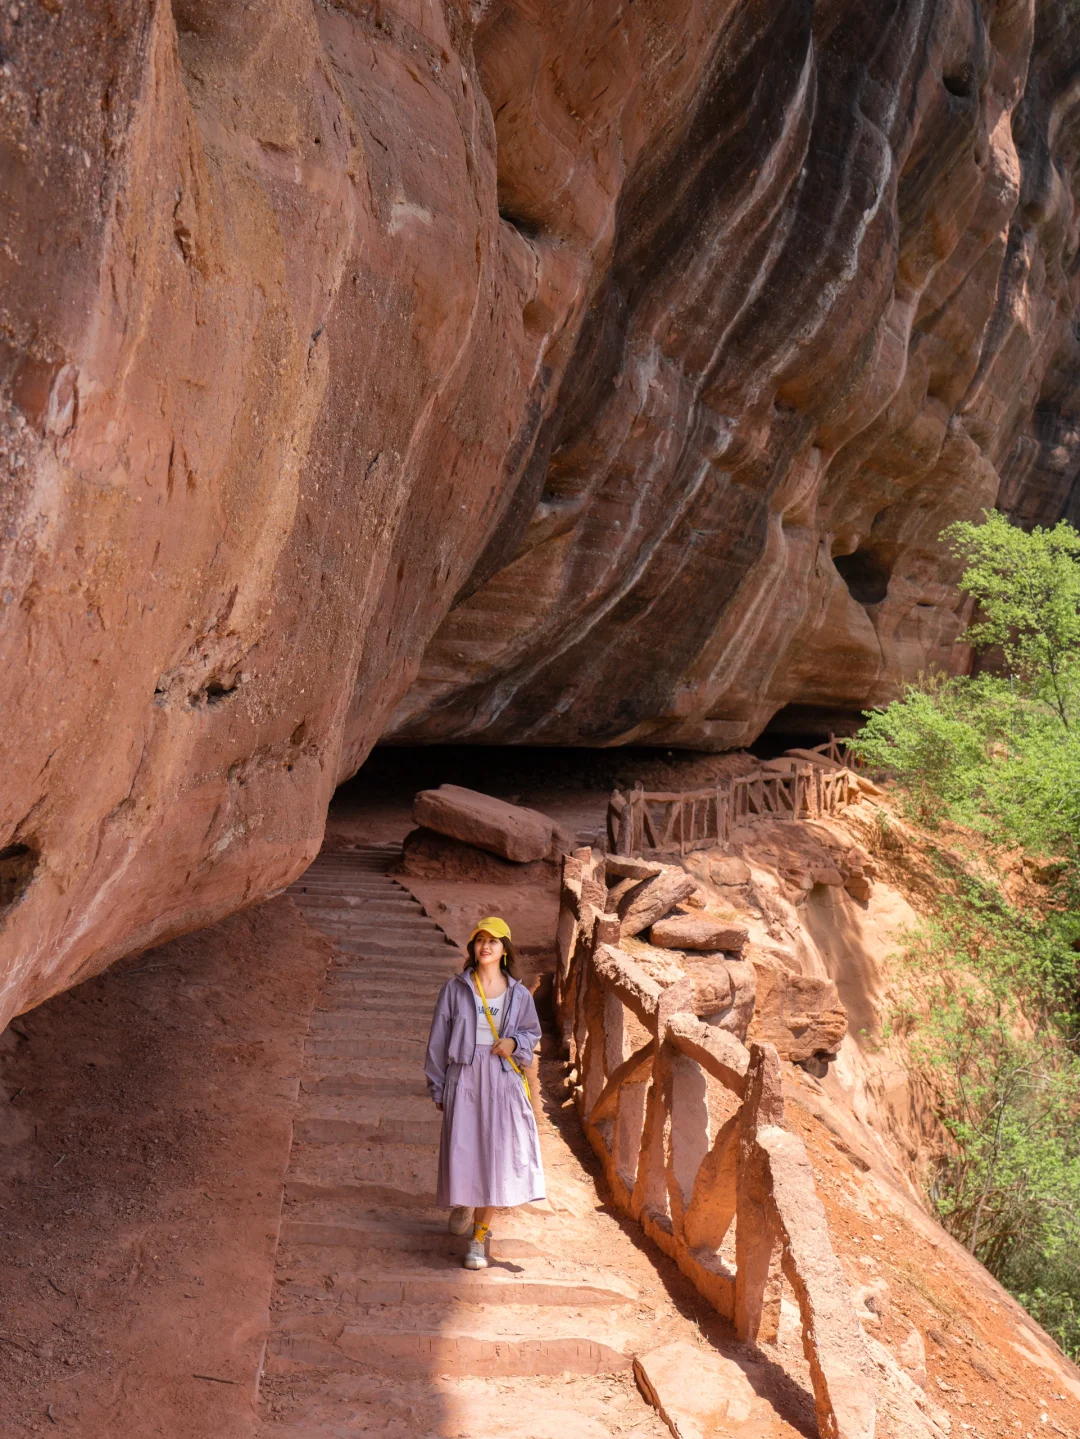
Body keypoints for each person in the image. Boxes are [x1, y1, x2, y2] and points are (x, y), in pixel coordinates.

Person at [424, 916, 545, 1269]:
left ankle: (478, 1240)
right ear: (473, 946)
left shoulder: (519, 994)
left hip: (501, 1078)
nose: (486, 945)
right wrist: (437, 1085)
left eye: (493, 940)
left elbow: (531, 1033)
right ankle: (465, 1201)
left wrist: (513, 1043)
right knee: (463, 1147)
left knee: (495, 1156)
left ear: (505, 949)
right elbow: (437, 1040)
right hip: (464, 1075)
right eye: (480, 939)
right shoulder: (455, 989)